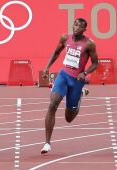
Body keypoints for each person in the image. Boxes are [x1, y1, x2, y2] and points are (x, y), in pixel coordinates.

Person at [41, 18, 98, 154]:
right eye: (75, 24)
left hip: (77, 81)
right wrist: (47, 67)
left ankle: (79, 96)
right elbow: (56, 53)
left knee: (69, 118)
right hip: (63, 76)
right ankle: (47, 143)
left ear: (84, 29)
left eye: (80, 26)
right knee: (52, 104)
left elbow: (96, 63)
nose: (77, 27)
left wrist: (85, 73)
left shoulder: (89, 44)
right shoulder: (65, 38)